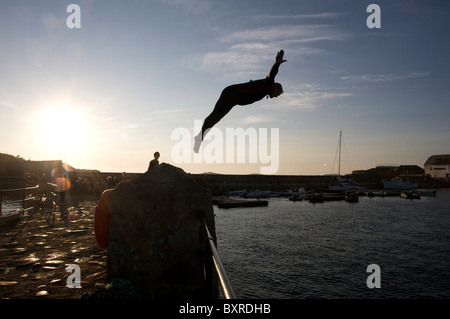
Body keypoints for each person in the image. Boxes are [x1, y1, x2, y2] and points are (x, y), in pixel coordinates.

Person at [194, 50, 287, 153]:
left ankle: (199, 137)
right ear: (275, 88)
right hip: (231, 94)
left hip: (233, 98)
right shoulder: (269, 83)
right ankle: (199, 137)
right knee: (215, 116)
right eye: (278, 94)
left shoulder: (265, 89)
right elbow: (272, 74)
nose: (276, 97)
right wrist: (277, 63)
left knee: (216, 117)